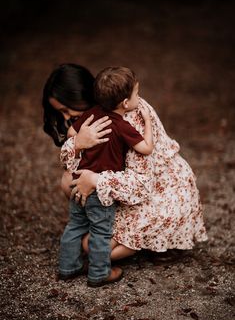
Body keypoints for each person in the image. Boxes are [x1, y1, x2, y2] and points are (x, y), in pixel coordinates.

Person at [43, 63, 207, 272]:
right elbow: (69, 160)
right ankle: (102, 227)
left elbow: (142, 182)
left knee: (90, 247)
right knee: (69, 180)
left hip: (157, 192)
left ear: (83, 97)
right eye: (60, 112)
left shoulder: (130, 119)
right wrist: (78, 143)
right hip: (121, 187)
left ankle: (158, 241)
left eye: (67, 109)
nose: (66, 118)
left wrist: (95, 180)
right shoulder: (99, 112)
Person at [58, 66, 153, 287]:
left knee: (75, 226)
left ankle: (67, 268)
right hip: (98, 190)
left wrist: (82, 138)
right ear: (125, 104)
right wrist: (147, 121)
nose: (138, 97)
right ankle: (99, 273)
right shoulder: (122, 125)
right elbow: (146, 148)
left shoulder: (92, 113)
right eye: (136, 94)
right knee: (101, 231)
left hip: (77, 180)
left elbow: (72, 134)